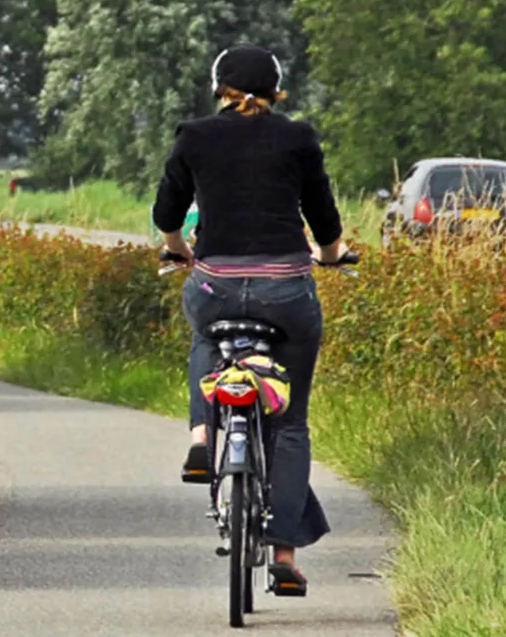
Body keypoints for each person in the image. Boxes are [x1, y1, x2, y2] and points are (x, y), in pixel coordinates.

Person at [152, 43, 356, 598]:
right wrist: (332, 256)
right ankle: (285, 553)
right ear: (276, 91)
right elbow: (323, 217)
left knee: (204, 337)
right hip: (285, 292)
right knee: (289, 423)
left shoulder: (194, 136)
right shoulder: (298, 138)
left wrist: (179, 250)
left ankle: (202, 434)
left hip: (216, 286)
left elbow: (167, 213)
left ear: (218, 89)